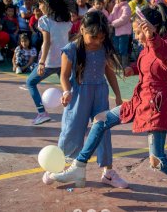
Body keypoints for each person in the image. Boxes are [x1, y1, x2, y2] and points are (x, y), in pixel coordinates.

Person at [43, 3, 167, 212]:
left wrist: (152, 39)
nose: (135, 34)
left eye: (137, 30)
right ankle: (79, 167)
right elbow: (150, 67)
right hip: (139, 102)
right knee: (101, 120)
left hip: (156, 108)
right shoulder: (148, 46)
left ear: (149, 28)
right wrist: (132, 69)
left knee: (157, 160)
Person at [42, 11, 128, 189]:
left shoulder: (103, 48)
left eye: (102, 37)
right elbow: (64, 76)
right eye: (94, 37)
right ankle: (57, 167)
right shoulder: (71, 49)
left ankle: (108, 173)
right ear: (82, 29)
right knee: (71, 131)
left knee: (104, 131)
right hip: (79, 94)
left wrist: (118, 95)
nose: (98, 41)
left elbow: (109, 72)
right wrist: (66, 92)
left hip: (100, 93)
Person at [26, 0, 72, 125]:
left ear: (47, 4)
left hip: (50, 61)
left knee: (30, 82)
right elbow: (66, 38)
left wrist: (41, 62)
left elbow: (47, 42)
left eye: (40, 3)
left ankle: (41, 113)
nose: (39, 7)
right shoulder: (66, 18)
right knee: (68, 88)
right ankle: (74, 114)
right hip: (65, 59)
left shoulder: (44, 20)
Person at [108, 0, 132, 67]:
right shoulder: (116, 6)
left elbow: (123, 19)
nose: (116, 1)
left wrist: (112, 24)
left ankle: (124, 66)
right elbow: (111, 16)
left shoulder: (126, 7)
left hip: (124, 32)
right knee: (116, 49)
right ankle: (118, 66)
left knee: (123, 49)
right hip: (116, 31)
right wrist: (108, 21)